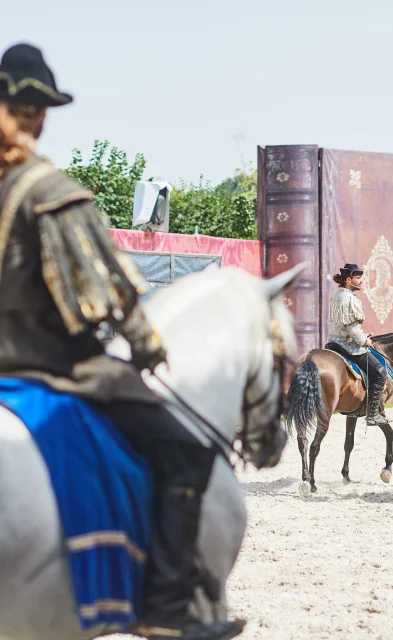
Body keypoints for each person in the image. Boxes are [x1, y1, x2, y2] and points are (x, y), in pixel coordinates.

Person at [0, 43, 242, 640]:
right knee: (185, 453)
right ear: (37, 113)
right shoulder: (48, 192)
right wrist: (149, 347)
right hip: (54, 372)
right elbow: (111, 294)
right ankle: (166, 610)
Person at [325, 263, 388, 426]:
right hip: (349, 347)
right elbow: (352, 330)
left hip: (333, 344)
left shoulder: (335, 296)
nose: (361, 281)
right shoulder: (351, 300)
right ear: (348, 279)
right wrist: (365, 340)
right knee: (380, 372)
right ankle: (372, 415)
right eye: (358, 278)